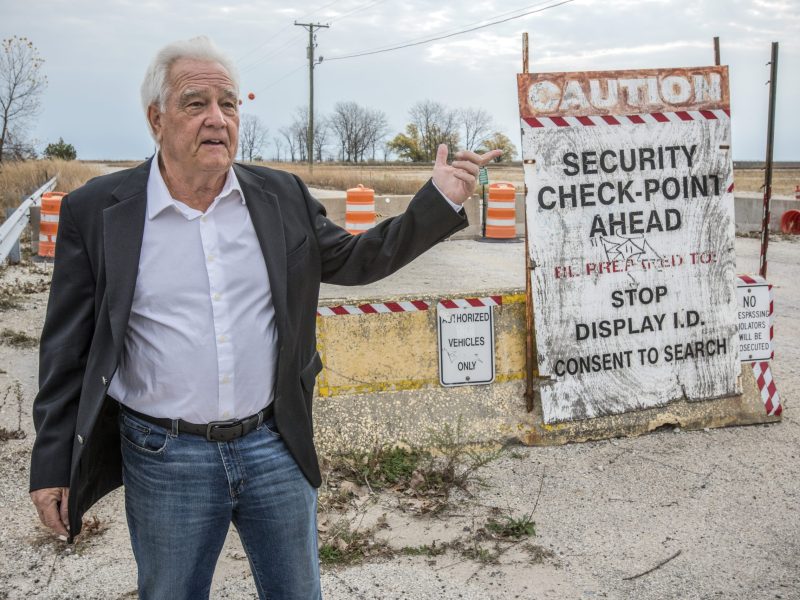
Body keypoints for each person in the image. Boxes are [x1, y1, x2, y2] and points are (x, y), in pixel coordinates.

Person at [29, 36, 501, 599]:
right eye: (195, 103)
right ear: (156, 119)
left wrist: (438, 199)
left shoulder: (278, 196)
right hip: (165, 457)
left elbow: (356, 258)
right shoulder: (100, 212)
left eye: (228, 104)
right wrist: (52, 460)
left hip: (273, 443)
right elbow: (66, 348)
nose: (216, 118)